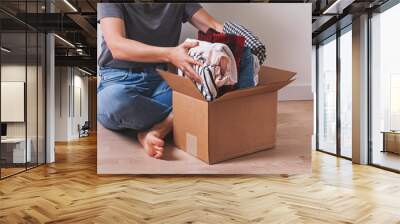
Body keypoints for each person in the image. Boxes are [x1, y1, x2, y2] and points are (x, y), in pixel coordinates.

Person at [97, 3, 223, 159]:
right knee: (115, 100)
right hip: (118, 79)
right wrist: (170, 54)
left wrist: (239, 42)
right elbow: (117, 46)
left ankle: (157, 130)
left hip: (161, 80)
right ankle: (173, 120)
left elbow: (214, 26)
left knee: (208, 91)